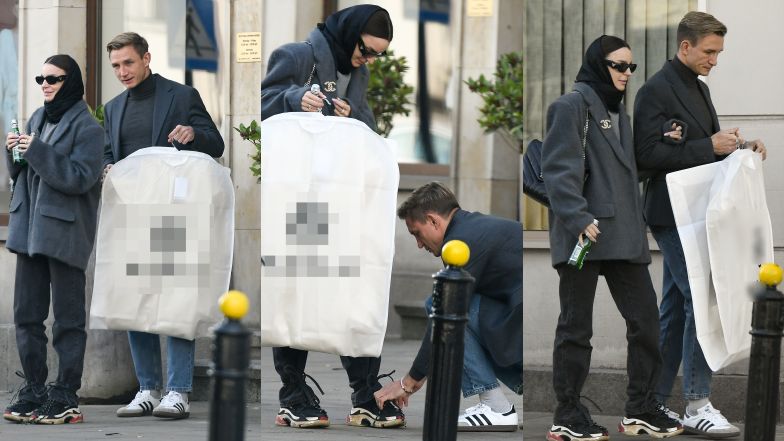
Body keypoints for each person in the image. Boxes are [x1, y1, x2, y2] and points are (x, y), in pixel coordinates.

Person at [260, 4, 404, 429]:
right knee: (296, 290)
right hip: (301, 201)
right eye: (367, 49)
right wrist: (292, 98)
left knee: (354, 290)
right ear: (349, 35)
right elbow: (260, 107)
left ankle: (366, 393)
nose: (369, 59)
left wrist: (351, 115)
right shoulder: (297, 54)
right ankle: (293, 394)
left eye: (378, 54)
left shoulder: (358, 72)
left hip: (342, 203)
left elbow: (369, 128)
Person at [541, 35, 683, 441]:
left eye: (631, 67)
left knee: (646, 323)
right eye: (619, 66)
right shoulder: (571, 106)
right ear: (598, 65)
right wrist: (577, 216)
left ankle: (640, 407)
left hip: (623, 235)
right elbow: (558, 170)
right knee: (575, 328)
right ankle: (567, 414)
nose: (626, 74)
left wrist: (667, 144)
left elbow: (624, 170)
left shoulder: (619, 113)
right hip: (584, 235)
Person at [633, 12, 766, 438]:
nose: (715, 60)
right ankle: (695, 401)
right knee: (701, 299)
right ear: (685, 46)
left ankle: (650, 402)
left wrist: (740, 147)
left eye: (719, 52)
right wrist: (709, 144)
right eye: (709, 51)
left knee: (674, 307)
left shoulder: (697, 87)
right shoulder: (655, 90)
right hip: (673, 214)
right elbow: (645, 158)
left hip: (694, 213)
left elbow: (699, 151)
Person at [103, 32, 224, 420]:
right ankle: (147, 389)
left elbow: (216, 143)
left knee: (176, 300)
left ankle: (178, 390)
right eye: (116, 66)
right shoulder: (112, 108)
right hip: (132, 217)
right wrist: (106, 168)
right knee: (135, 300)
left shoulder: (181, 96)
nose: (122, 71)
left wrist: (192, 135)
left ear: (147, 58)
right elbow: (109, 155)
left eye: (128, 63)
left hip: (174, 214)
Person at [373, 182, 523, 431]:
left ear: (433, 221)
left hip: (522, 333)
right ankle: (496, 405)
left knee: (443, 304)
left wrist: (409, 381)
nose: (419, 245)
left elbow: (444, 315)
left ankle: (496, 408)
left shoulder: (461, 241)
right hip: (519, 326)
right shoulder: (473, 228)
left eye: (416, 233)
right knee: (450, 302)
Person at [3, 54, 103, 424]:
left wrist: (37, 150)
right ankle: (34, 389)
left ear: (71, 81)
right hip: (28, 229)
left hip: (64, 233)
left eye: (54, 79)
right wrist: (14, 151)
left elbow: (81, 177)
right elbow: (23, 174)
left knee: (67, 320)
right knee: (26, 316)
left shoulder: (89, 127)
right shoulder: (36, 118)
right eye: (40, 79)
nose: (45, 85)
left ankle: (65, 394)